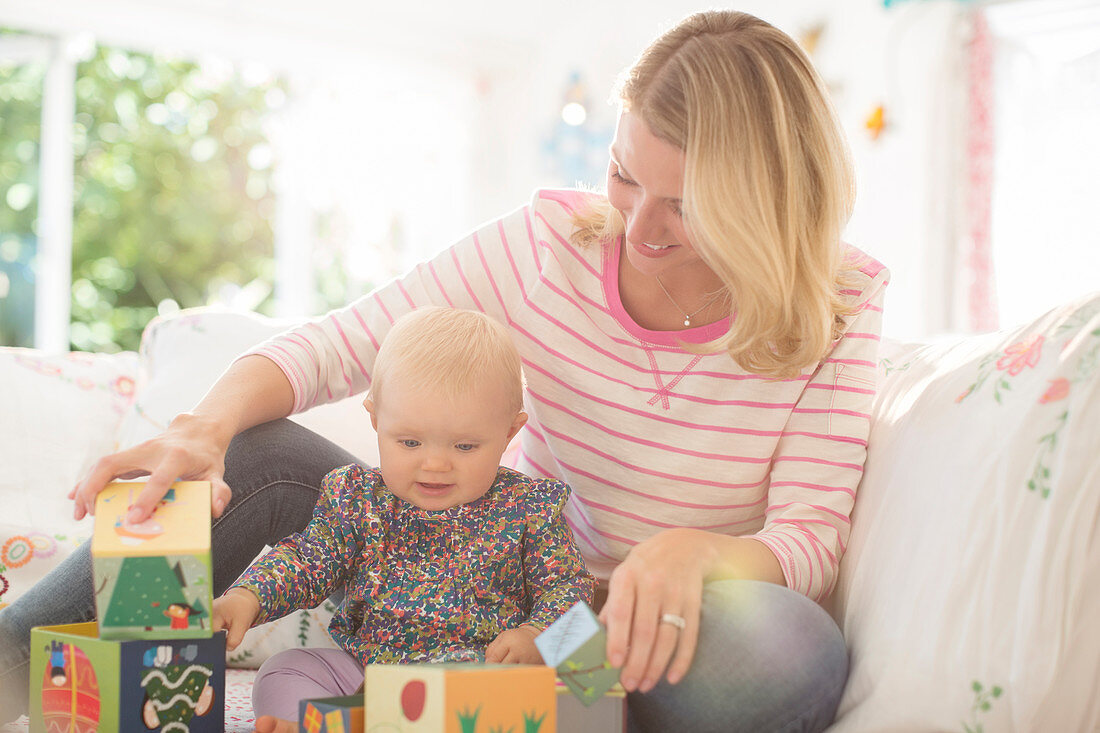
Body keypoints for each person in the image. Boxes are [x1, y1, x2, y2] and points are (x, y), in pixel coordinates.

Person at [1, 10, 888, 732]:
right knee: (255, 446)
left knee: (793, 654)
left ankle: (554, 699)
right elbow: (340, 343)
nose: (640, 226)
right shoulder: (550, 245)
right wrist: (200, 428)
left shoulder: (838, 304)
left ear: (767, 196)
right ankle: (13, 661)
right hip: (476, 564)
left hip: (623, 626)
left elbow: (809, 537)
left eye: (687, 205)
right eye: (624, 176)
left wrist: (698, 555)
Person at [211, 306, 595, 733]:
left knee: (586, 661)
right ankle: (310, 723)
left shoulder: (528, 508)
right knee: (288, 668)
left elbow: (569, 588)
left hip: (483, 678)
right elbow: (309, 561)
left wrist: (538, 635)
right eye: (409, 442)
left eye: (465, 447)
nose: (434, 464)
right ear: (375, 419)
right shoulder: (358, 499)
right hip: (370, 676)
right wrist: (249, 596)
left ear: (510, 432)